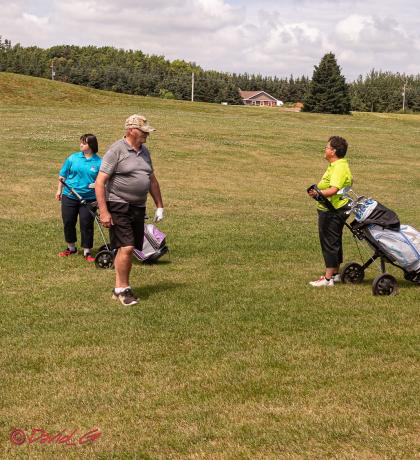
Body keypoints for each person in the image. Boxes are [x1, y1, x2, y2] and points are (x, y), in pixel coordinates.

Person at [95, 114, 164, 306]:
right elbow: (100, 183)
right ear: (131, 130)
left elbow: (151, 179)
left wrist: (159, 205)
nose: (146, 135)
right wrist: (104, 212)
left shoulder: (145, 152)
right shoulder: (116, 150)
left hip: (138, 206)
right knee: (126, 247)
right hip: (118, 204)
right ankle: (124, 290)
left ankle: (118, 289)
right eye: (143, 132)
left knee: (127, 247)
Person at [307, 136, 353, 287]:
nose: (325, 149)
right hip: (333, 209)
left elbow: (334, 190)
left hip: (333, 211)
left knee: (329, 242)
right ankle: (335, 274)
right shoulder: (337, 165)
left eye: (327, 147)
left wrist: (317, 193)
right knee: (334, 241)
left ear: (333, 151)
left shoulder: (339, 167)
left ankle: (327, 280)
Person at [56, 134, 101, 262]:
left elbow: (102, 181)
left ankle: (87, 252)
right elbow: (62, 175)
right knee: (68, 221)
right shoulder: (73, 158)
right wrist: (59, 190)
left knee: (86, 224)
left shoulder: (99, 162)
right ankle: (71, 248)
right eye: (81, 142)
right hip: (70, 195)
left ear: (91, 145)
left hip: (89, 199)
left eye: (84, 143)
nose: (81, 144)